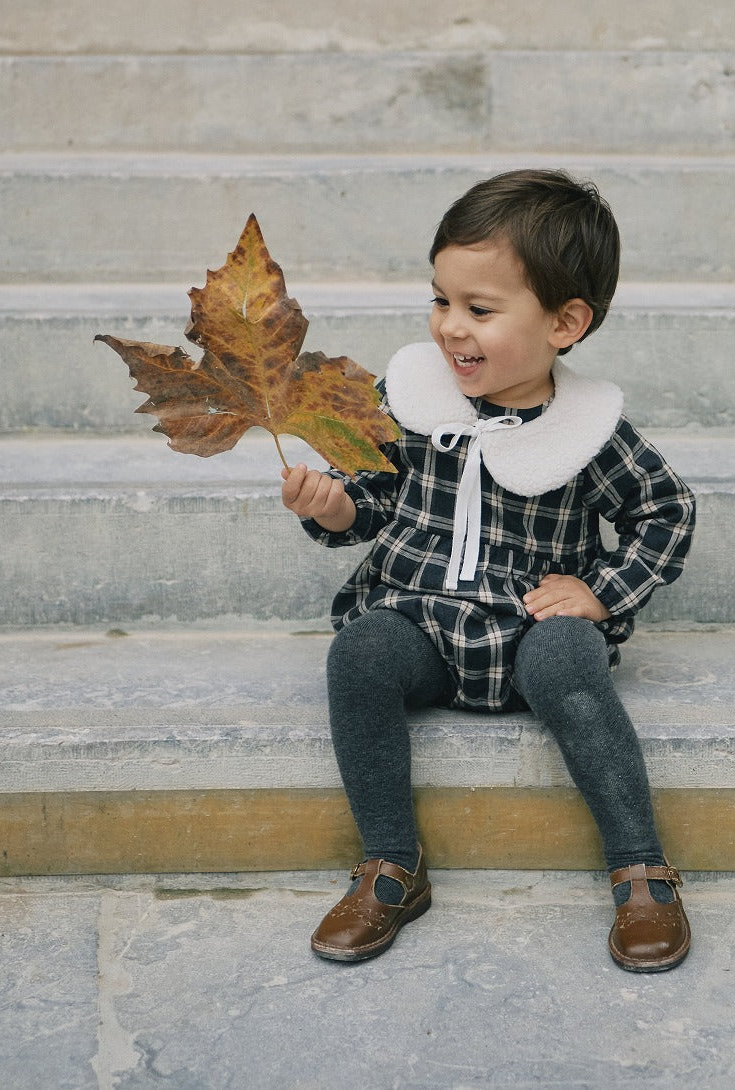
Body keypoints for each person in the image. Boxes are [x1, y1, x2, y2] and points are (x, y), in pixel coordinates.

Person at [281, 169, 695, 973]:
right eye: (440, 300)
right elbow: (372, 496)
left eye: (479, 310)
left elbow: (666, 512)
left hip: (530, 627)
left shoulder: (587, 430)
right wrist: (333, 506)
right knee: (361, 653)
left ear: (565, 323)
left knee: (573, 660)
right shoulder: (407, 397)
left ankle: (641, 869)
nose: (449, 329)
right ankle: (391, 862)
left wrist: (601, 592)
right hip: (423, 624)